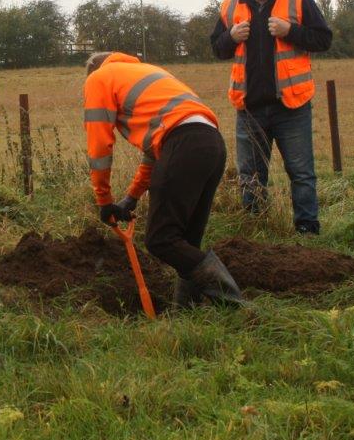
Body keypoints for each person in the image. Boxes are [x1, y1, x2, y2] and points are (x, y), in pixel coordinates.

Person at [83, 52, 243, 307]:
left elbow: (100, 147)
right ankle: (187, 311)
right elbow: (154, 154)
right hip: (211, 144)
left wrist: (104, 201)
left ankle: (235, 304)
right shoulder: (145, 72)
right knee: (186, 242)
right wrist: (131, 199)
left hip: (184, 144)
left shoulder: (98, 78)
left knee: (161, 239)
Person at [210, 0, 332, 234]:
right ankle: (255, 228)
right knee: (250, 177)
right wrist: (230, 36)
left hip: (292, 107)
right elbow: (217, 49)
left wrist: (291, 31)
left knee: (301, 174)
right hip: (249, 109)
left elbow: (324, 39)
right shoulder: (229, 7)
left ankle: (307, 229)